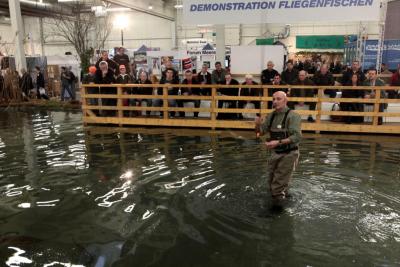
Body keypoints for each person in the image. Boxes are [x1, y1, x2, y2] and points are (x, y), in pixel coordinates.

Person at [255, 91, 302, 207]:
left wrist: (278, 142)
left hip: (290, 154)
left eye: (278, 99)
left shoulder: (293, 115)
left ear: (286, 100)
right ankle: (285, 198)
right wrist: (257, 124)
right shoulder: (271, 116)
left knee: (276, 188)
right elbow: (260, 133)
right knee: (271, 183)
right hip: (275, 153)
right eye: (273, 99)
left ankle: (277, 213)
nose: (275, 101)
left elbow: (297, 136)